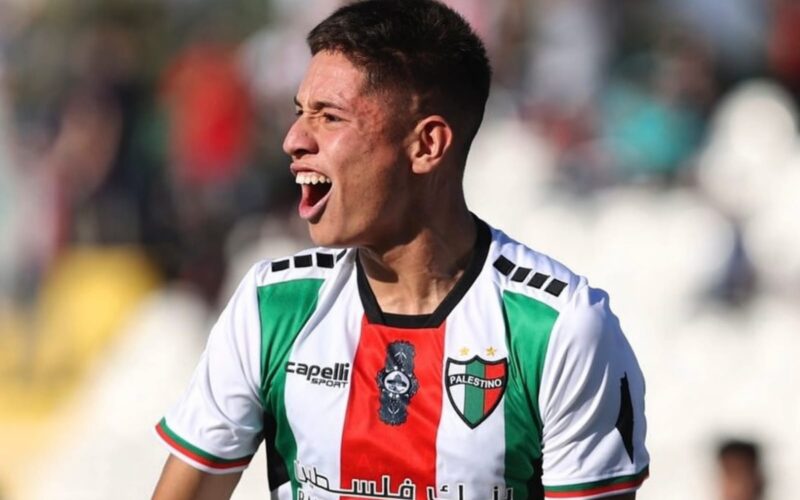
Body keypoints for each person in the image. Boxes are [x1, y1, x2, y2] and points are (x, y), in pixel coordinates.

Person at [152, 1, 650, 499]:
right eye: (300, 112)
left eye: (329, 117)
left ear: (427, 145)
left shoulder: (559, 328)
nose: (294, 139)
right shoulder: (272, 306)